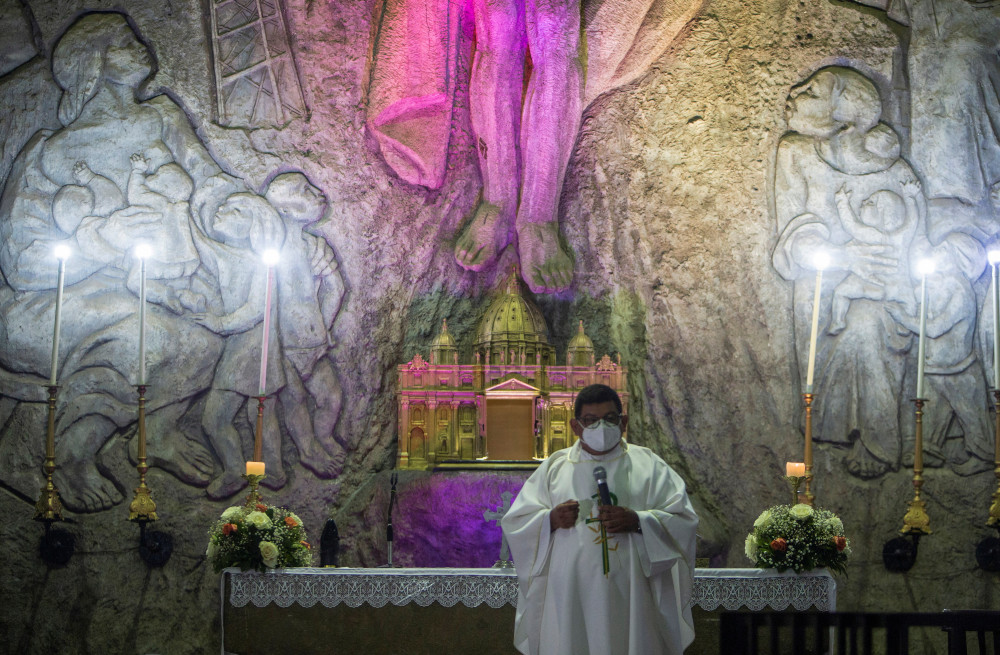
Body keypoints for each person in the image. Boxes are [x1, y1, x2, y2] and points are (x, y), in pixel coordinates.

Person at [501, 383, 698, 655]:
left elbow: (684, 519)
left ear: (623, 421)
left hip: (633, 595)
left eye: (609, 419)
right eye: (591, 421)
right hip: (570, 595)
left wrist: (640, 521)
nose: (600, 427)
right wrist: (550, 520)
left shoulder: (649, 466)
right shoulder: (554, 469)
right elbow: (517, 521)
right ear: (575, 426)